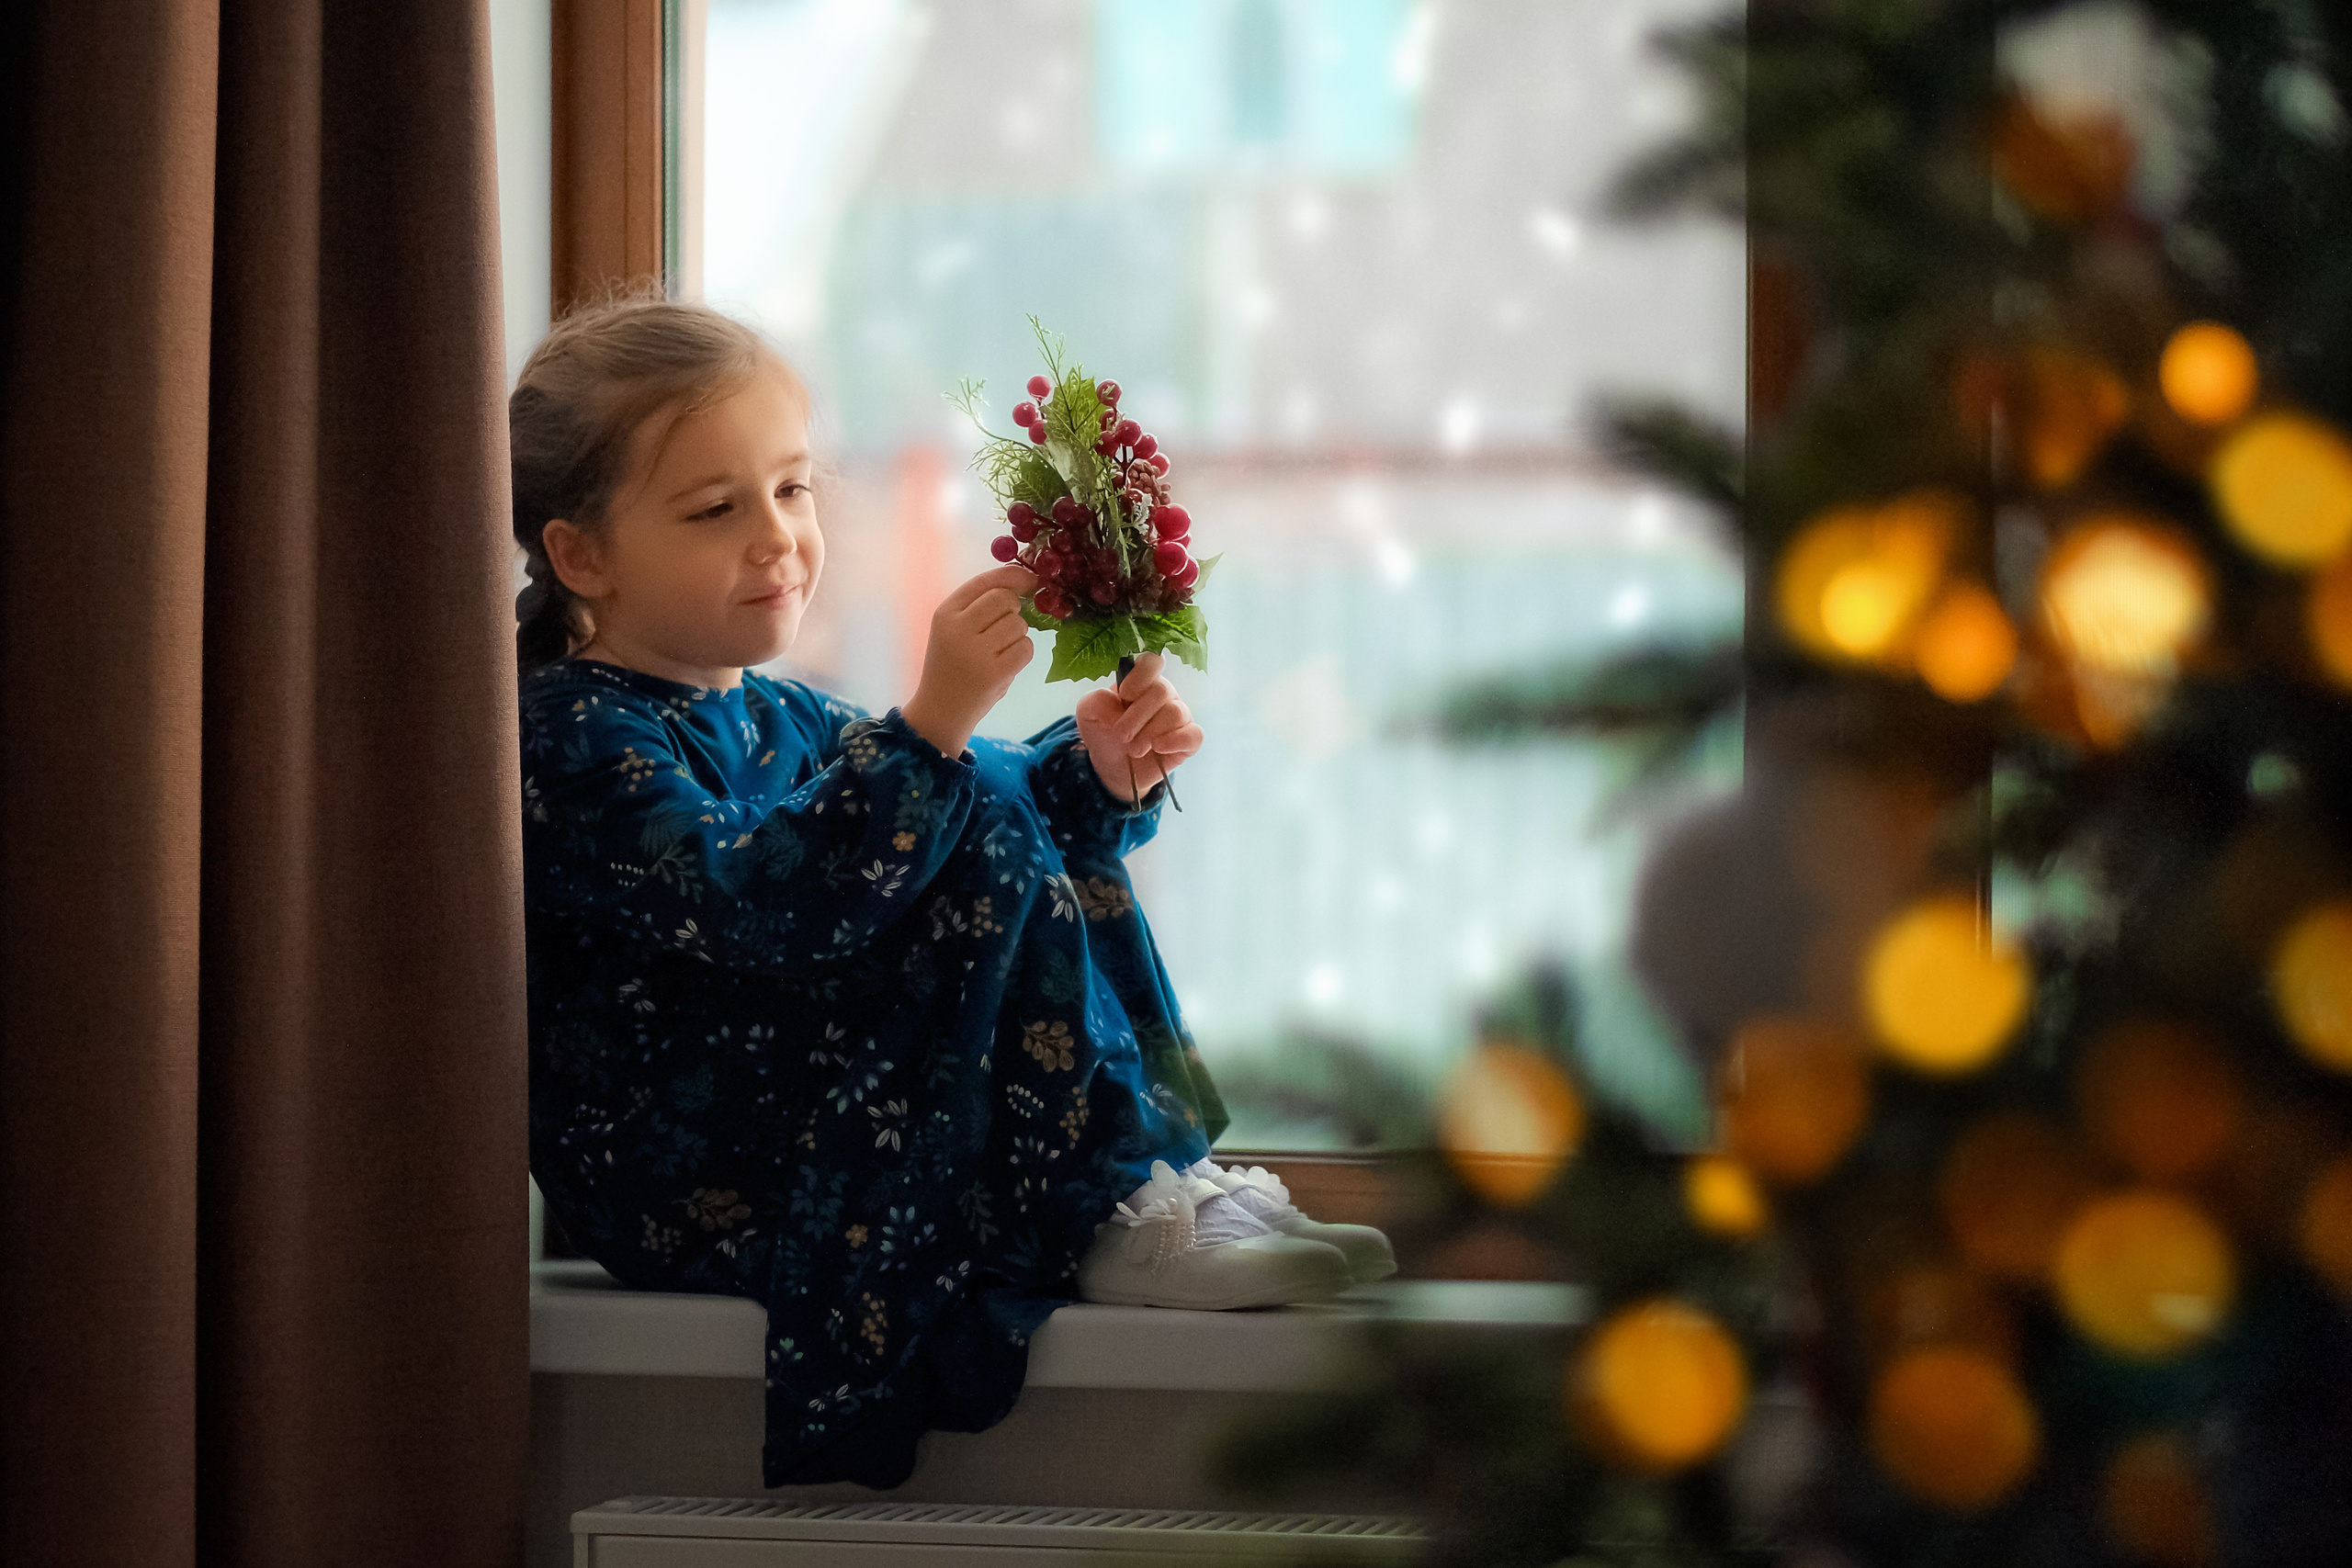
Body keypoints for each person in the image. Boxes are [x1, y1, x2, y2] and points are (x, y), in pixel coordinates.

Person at [511, 297, 1394, 1490]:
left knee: (966, 786)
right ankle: (1103, 1207)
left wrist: (1094, 773)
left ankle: (1134, 1183)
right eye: (718, 509)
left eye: (792, 489)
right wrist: (932, 726)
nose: (778, 538)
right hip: (698, 1176)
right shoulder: (570, 734)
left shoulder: (767, 707)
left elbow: (952, 799)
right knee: (941, 785)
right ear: (582, 554)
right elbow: (760, 901)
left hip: (792, 1115)